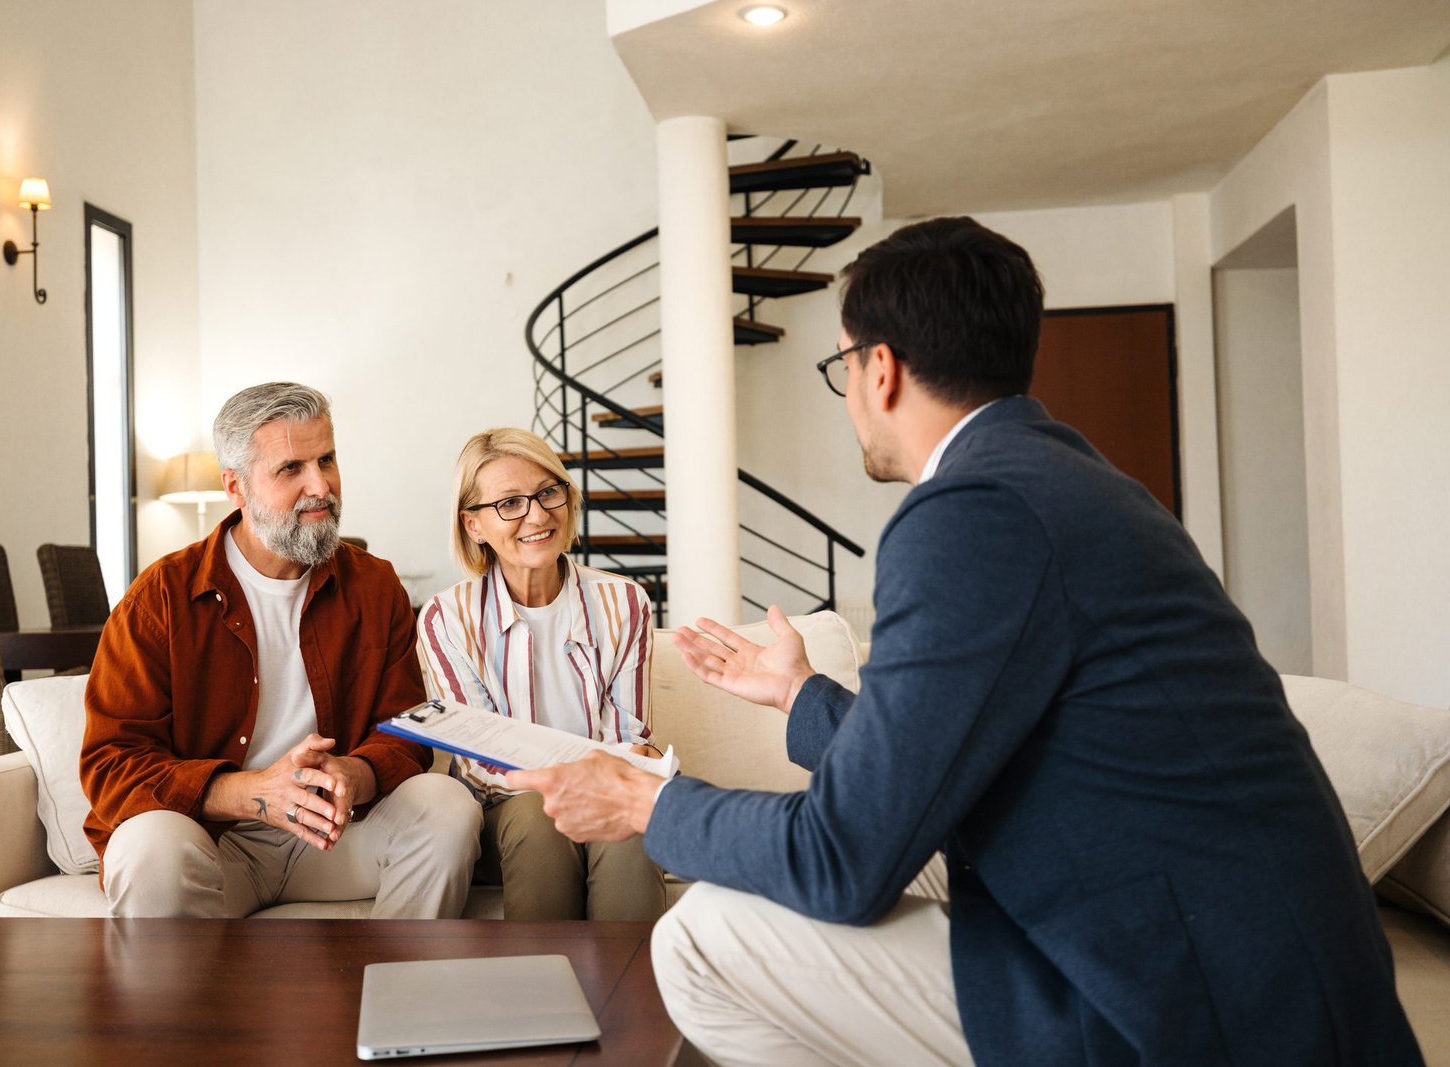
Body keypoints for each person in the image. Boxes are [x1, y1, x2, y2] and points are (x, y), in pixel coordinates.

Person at [508, 219, 1423, 1065]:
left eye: (840, 369)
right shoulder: (1071, 479)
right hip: (1249, 972)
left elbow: (841, 860)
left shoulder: (969, 513)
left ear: (881, 369)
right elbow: (948, 752)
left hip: (1178, 1006)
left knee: (705, 935)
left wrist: (646, 803)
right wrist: (799, 697)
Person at [81, 382, 481, 919]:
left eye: (327, 459)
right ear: (236, 487)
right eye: (291, 469)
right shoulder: (160, 599)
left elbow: (406, 734)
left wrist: (353, 774)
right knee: (148, 847)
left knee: (448, 808)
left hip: (336, 837)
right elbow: (112, 765)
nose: (321, 485)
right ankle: (184, 1008)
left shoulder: (375, 586)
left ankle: (397, 991)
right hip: (214, 842)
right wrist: (250, 792)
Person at [416, 428, 663, 921]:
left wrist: (619, 772)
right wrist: (573, 781)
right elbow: (482, 759)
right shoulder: (447, 618)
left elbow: (628, 736)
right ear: (474, 525)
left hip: (603, 792)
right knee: (536, 814)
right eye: (510, 503)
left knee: (630, 817)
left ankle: (633, 991)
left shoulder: (625, 602)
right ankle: (544, 992)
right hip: (506, 811)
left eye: (548, 492)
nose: (537, 514)